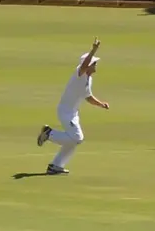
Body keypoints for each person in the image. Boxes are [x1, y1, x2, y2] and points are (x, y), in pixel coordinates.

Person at [36, 37, 110, 174]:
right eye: (94, 63)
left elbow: (88, 97)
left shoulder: (89, 79)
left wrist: (101, 104)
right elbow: (84, 65)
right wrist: (93, 50)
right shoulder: (80, 74)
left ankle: (55, 166)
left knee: (73, 141)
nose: (95, 65)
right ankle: (49, 134)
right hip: (65, 112)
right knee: (77, 138)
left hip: (73, 113)